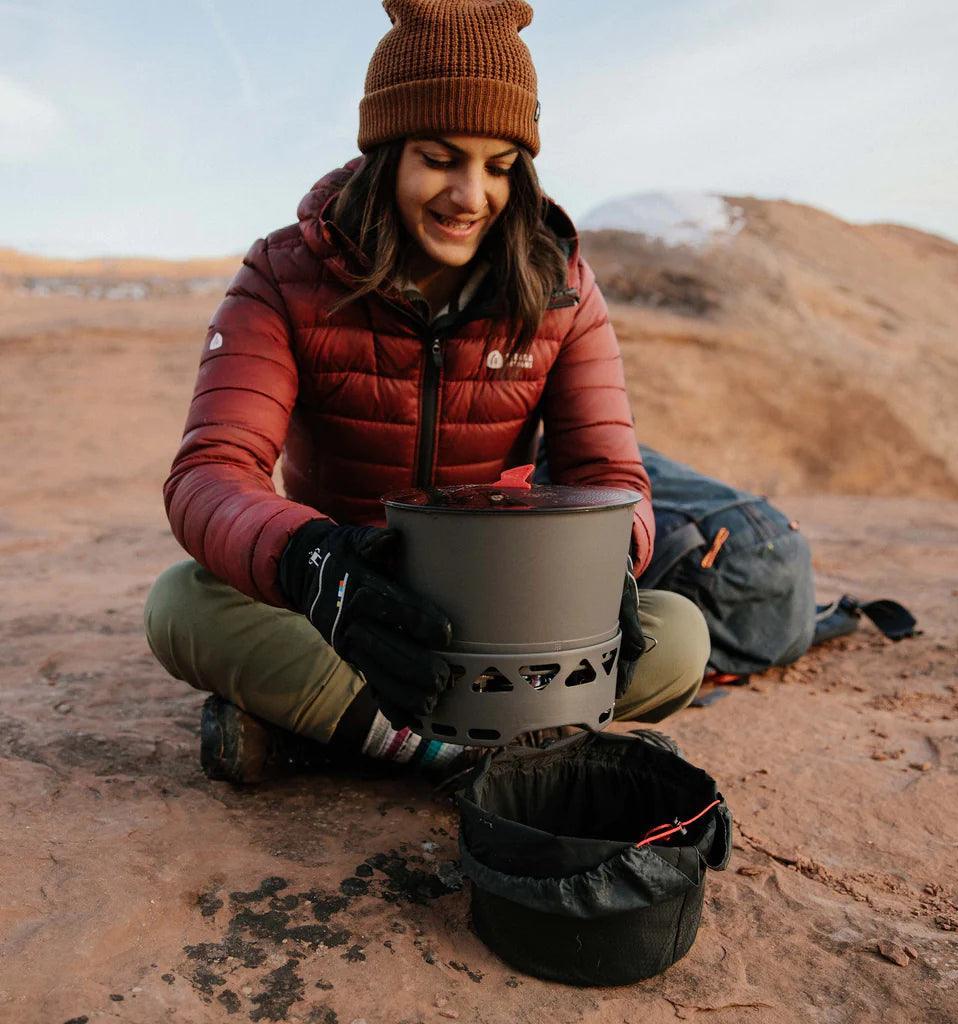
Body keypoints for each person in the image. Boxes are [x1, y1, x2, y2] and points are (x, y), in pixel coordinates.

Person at [143, 0, 711, 784]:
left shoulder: (562, 290)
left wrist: (612, 555)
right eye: (441, 157)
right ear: (386, 152)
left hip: (511, 610)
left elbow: (610, 477)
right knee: (182, 607)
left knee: (678, 635)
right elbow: (210, 471)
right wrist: (314, 563)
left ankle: (349, 735)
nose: (471, 195)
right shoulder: (281, 276)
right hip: (348, 603)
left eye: (501, 166)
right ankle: (508, 750)